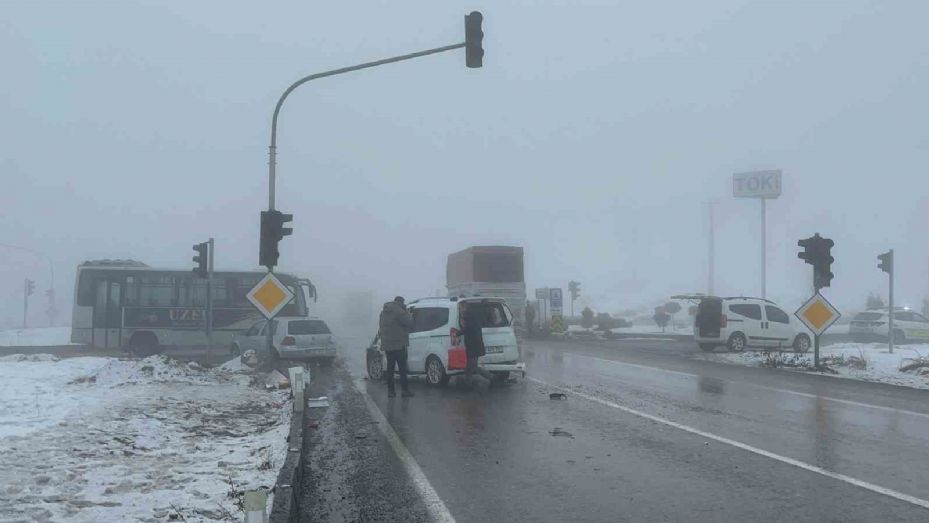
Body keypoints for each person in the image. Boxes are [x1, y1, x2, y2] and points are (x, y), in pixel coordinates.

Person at [378, 296, 414, 398]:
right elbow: (410, 323)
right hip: (399, 345)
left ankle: (391, 392)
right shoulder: (400, 312)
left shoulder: (383, 313)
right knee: (402, 369)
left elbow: (381, 327)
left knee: (390, 369)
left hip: (388, 345)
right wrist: (407, 312)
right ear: (401, 302)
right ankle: (405, 391)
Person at [459, 302, 494, 386]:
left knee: (473, 367)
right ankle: (468, 384)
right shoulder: (471, 316)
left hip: (474, 346)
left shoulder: (469, 317)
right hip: (473, 346)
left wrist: (457, 333)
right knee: (468, 368)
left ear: (465, 307)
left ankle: (492, 377)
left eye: (461, 307)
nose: (460, 309)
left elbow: (467, 328)